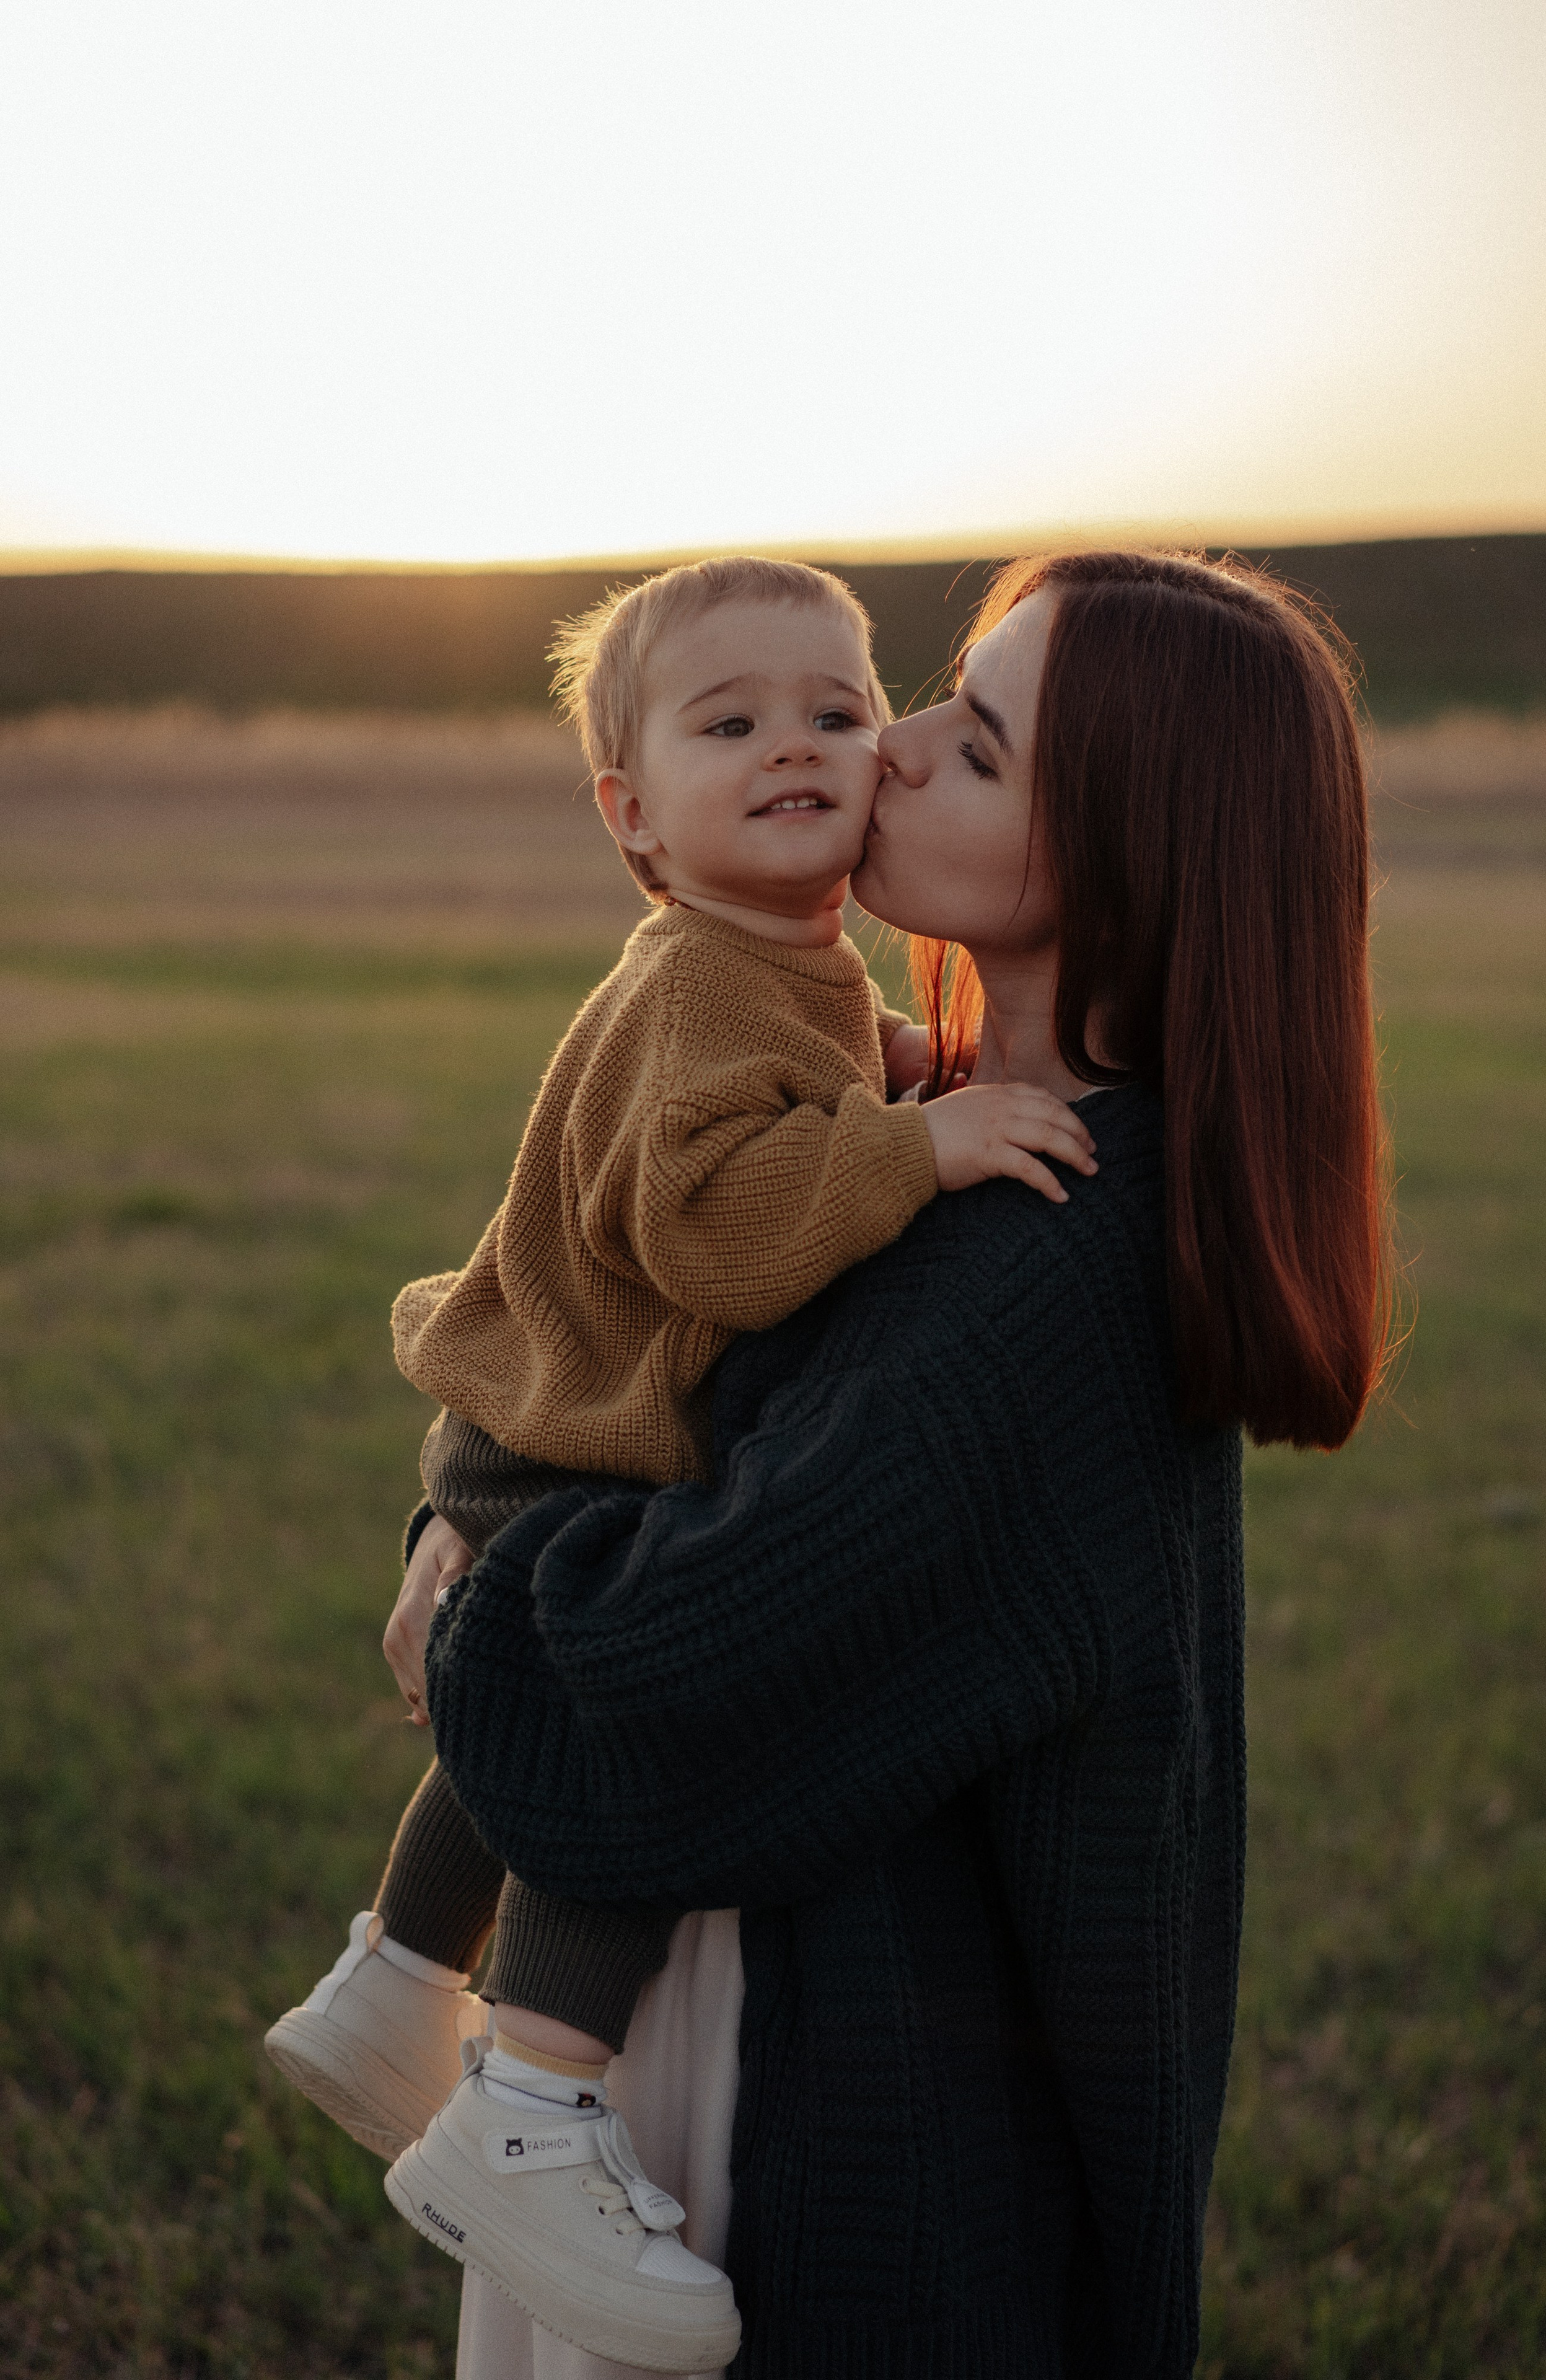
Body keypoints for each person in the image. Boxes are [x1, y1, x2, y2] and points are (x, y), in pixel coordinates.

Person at [384, 548, 1395, 2379]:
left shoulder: (1046, 1275)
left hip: (834, 2179)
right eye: (935, 692)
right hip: (715, 2067)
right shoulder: (919, 1136)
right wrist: (469, 1501)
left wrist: (479, 1582)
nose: (888, 749)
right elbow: (657, 1375)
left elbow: (652, 1674)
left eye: (979, 746)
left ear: (1133, 862)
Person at [265, 555, 1096, 2374]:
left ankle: (396, 1980)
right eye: (731, 725)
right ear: (633, 816)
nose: (799, 747)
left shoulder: (768, 970)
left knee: (560, 1719)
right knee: (620, 1742)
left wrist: (888, 1078)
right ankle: (528, 2107)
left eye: (835, 708)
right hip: (578, 1438)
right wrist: (917, 1147)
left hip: (544, 1420)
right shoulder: (712, 985)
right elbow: (725, 1233)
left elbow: (780, 1108)